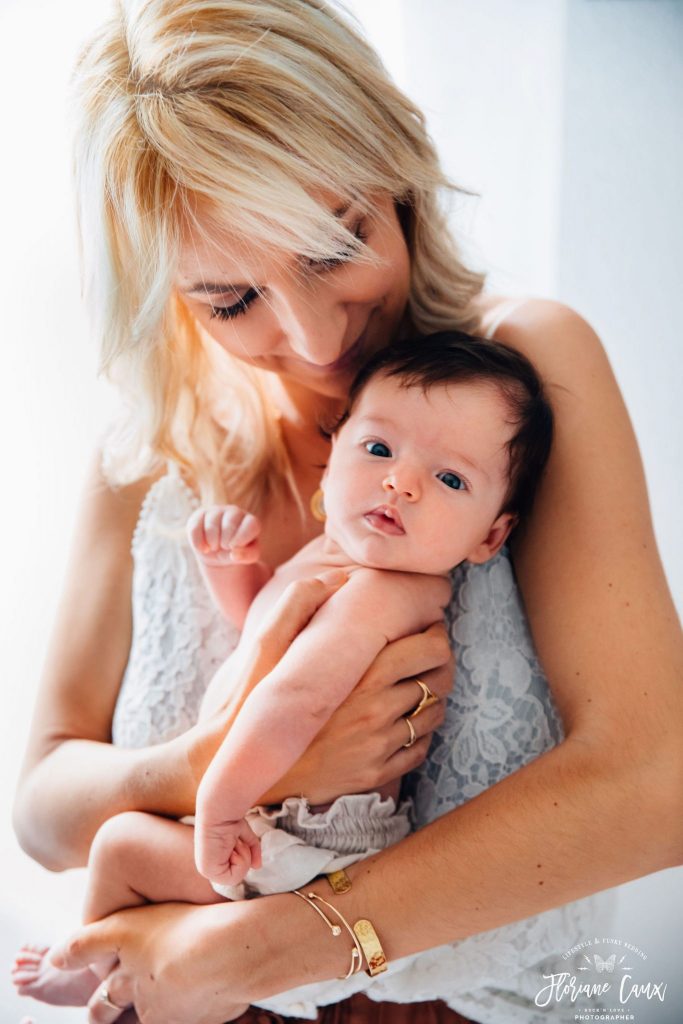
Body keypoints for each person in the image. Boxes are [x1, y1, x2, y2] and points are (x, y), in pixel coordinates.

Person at [11, 1, 682, 1022]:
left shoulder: (523, 381)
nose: (315, 340)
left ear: (397, 170)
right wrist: (212, 759)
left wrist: (265, 949)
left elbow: (655, 780)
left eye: (332, 246)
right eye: (229, 300)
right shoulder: (152, 453)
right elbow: (44, 808)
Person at [13, 332, 553, 1014]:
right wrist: (231, 568)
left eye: (449, 479)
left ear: (489, 537)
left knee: (122, 844)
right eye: (379, 449)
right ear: (333, 456)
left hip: (313, 859)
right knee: (130, 857)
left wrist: (218, 806)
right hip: (289, 840)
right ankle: (108, 961)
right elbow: (260, 629)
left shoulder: (381, 591)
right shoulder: (334, 561)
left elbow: (292, 699)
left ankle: (91, 963)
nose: (401, 481)